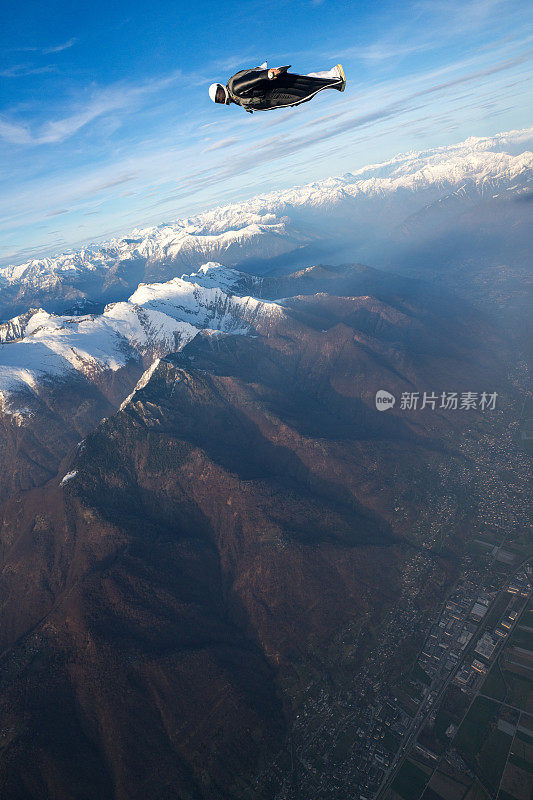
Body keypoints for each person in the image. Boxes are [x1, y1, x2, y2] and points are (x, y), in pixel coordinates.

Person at [208, 62, 346, 113]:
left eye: (219, 94)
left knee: (304, 86)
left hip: (275, 88)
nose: (222, 97)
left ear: (221, 87)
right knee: (304, 91)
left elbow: (249, 80)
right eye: (219, 99)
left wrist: (266, 74)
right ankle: (335, 82)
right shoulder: (236, 98)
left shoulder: (234, 88)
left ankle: (334, 75)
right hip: (275, 95)